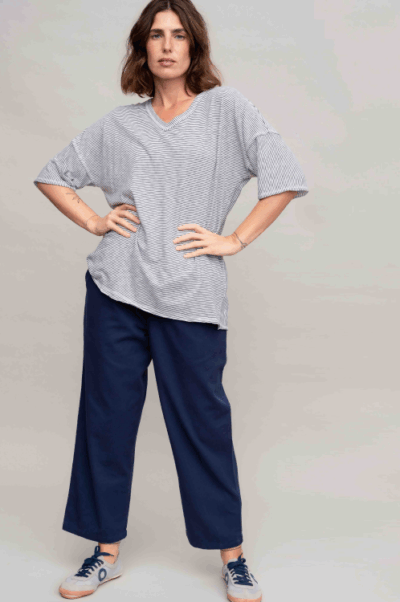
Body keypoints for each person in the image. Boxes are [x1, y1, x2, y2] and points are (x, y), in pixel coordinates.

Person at [33, 1, 309, 600]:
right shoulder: (119, 125)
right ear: (142, 47)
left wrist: (234, 239)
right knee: (106, 420)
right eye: (156, 35)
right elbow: (53, 175)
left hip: (190, 291)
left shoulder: (227, 110)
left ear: (194, 46)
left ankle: (233, 557)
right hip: (116, 288)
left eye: (178, 35)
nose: (166, 45)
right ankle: (104, 553)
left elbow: (283, 176)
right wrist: (96, 222)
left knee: (204, 423)